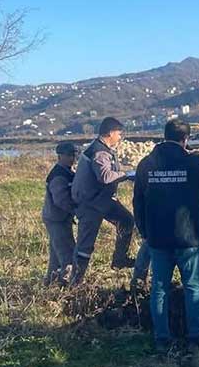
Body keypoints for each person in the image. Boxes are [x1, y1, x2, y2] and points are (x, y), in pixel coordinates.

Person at [133, 118, 199, 352]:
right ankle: (196, 338)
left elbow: (138, 202)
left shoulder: (146, 164)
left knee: (159, 289)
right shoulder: (191, 162)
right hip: (188, 239)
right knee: (193, 287)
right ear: (186, 139)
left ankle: (161, 340)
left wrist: (145, 232)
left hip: (158, 240)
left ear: (164, 136)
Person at [70, 117, 135, 284]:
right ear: (110, 133)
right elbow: (105, 176)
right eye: (119, 134)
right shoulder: (100, 152)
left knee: (126, 221)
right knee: (85, 245)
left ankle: (119, 259)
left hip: (101, 200)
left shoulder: (100, 148)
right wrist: (126, 175)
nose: (120, 138)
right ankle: (75, 283)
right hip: (91, 203)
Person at [41, 141, 79, 286]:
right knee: (67, 253)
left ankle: (50, 283)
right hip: (57, 219)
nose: (72, 158)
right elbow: (61, 200)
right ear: (60, 156)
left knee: (56, 255)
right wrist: (76, 210)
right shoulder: (59, 176)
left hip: (58, 218)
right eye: (69, 155)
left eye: (74, 155)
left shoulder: (67, 171)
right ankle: (66, 284)